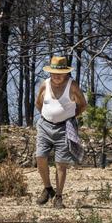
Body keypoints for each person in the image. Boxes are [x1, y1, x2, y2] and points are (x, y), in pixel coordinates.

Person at [34, 56, 87, 209]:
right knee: (40, 157)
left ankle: (58, 196)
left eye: (60, 73)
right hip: (44, 126)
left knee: (60, 164)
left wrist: (69, 116)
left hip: (64, 128)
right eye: (53, 73)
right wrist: (49, 115)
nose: (56, 76)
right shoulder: (45, 85)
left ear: (66, 73)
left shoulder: (72, 86)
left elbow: (83, 105)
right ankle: (47, 188)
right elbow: (39, 103)